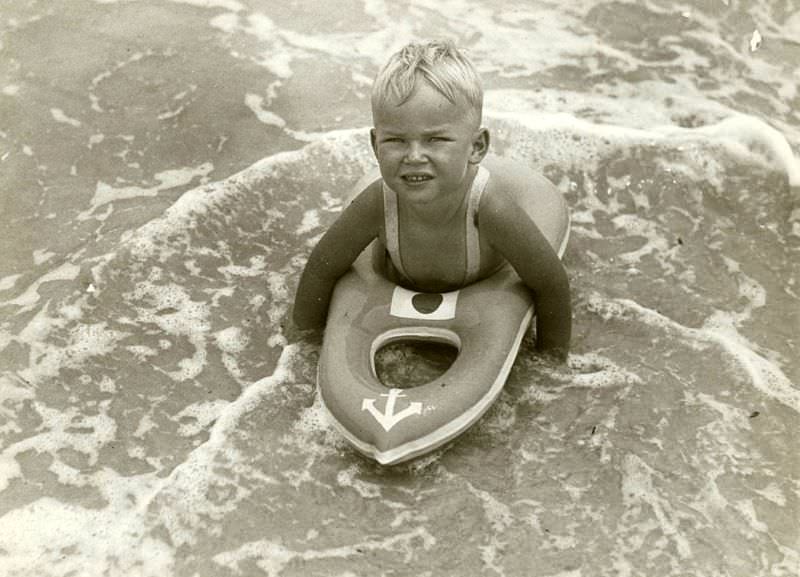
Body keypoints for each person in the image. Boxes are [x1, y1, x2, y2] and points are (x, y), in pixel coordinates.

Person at [291, 40, 571, 360]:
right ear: (374, 143)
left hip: (480, 294)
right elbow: (321, 269)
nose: (414, 156)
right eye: (395, 140)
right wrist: (302, 346)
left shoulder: (490, 208)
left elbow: (551, 284)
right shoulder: (377, 204)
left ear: (476, 147)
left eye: (435, 139)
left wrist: (552, 363)